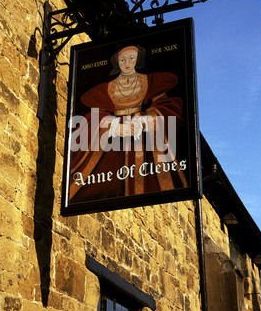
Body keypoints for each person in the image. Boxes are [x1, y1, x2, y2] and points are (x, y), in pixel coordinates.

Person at [69, 45, 187, 203]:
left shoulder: (150, 81)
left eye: (131, 58)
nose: (127, 62)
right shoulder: (106, 89)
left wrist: (144, 122)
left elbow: (166, 107)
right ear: (117, 62)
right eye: (122, 59)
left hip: (142, 139)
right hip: (113, 142)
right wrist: (112, 126)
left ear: (138, 59)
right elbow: (93, 117)